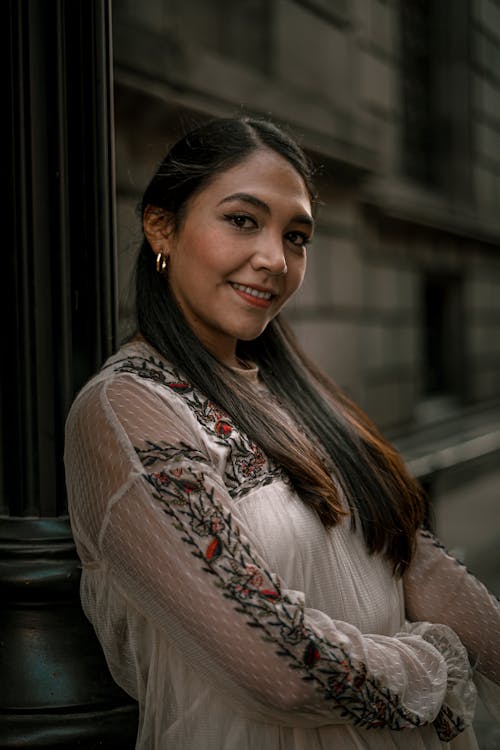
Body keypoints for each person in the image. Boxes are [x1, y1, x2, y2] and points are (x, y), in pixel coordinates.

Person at [64, 116, 499, 750]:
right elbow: (282, 669)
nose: (274, 259)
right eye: (243, 220)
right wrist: (437, 659)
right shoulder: (127, 412)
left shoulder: (302, 396)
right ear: (162, 224)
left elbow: (412, 560)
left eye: (296, 236)